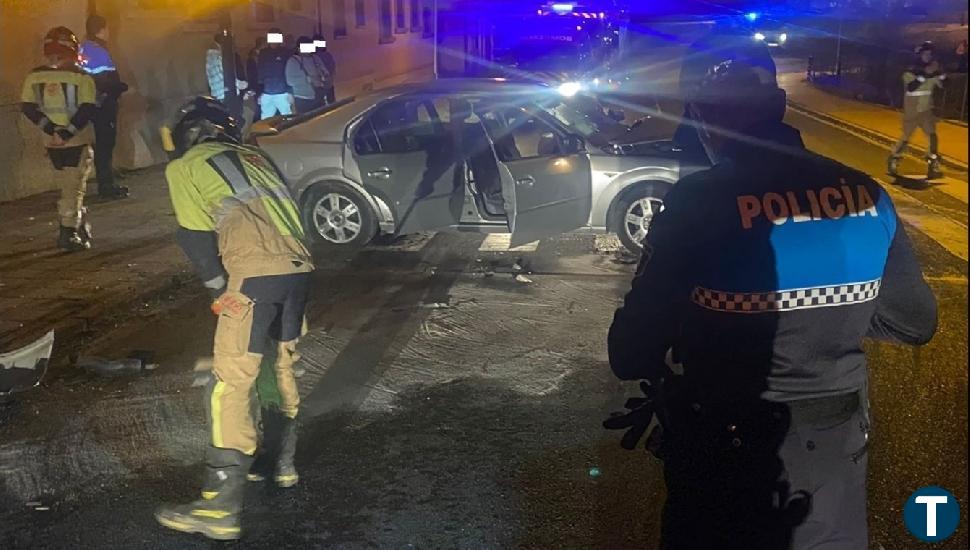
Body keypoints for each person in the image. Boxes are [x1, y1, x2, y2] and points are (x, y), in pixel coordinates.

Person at [605, 31, 937, 549]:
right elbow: (915, 323)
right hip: (836, 448)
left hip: (724, 452)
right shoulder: (868, 193)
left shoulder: (699, 200)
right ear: (780, 105)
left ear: (703, 119)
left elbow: (630, 351)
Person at [154, 97, 313, 540]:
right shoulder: (257, 157)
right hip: (299, 273)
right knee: (278, 366)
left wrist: (219, 291)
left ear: (191, 131)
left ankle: (218, 508)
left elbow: (195, 238)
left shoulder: (186, 166)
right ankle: (279, 464)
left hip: (255, 279)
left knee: (228, 383)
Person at [21, 27, 98, 251]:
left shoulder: (34, 76)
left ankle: (79, 222)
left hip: (50, 142)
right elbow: (87, 109)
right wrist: (66, 132)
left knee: (67, 186)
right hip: (76, 140)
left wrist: (51, 130)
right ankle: (69, 233)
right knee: (72, 188)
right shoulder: (81, 77)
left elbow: (28, 107)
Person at [79, 15, 129, 200]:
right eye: (107, 29)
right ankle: (106, 187)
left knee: (102, 144)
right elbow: (103, 81)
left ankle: (107, 182)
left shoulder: (83, 48)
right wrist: (120, 87)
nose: (109, 33)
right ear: (100, 30)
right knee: (105, 144)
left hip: (93, 103)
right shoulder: (98, 51)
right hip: (103, 104)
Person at [888, 41, 947, 178]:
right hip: (912, 111)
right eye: (925, 54)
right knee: (906, 137)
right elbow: (911, 87)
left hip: (926, 110)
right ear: (920, 55)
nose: (927, 56)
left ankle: (933, 163)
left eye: (930, 54)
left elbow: (944, 85)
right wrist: (926, 74)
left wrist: (941, 74)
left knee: (932, 136)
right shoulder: (911, 70)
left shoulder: (932, 70)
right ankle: (894, 158)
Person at [205, 34, 248, 122]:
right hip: (227, 93)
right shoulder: (219, 57)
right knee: (234, 120)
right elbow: (226, 76)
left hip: (217, 93)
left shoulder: (210, 56)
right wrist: (241, 85)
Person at [256, 28, 293, 119]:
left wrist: (290, 92)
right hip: (267, 93)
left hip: (282, 92)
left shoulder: (285, 52)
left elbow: (288, 73)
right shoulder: (263, 53)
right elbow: (260, 73)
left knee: (288, 118)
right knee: (265, 120)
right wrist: (260, 93)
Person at [285, 36, 328, 113]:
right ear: (299, 48)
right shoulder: (293, 61)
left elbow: (325, 71)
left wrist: (323, 77)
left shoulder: (315, 58)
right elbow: (290, 81)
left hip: (319, 96)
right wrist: (308, 79)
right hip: (303, 99)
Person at [313, 33, 337, 104]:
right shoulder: (312, 57)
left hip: (328, 85)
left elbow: (332, 68)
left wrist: (329, 79)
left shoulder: (327, 55)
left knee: (331, 105)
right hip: (319, 86)